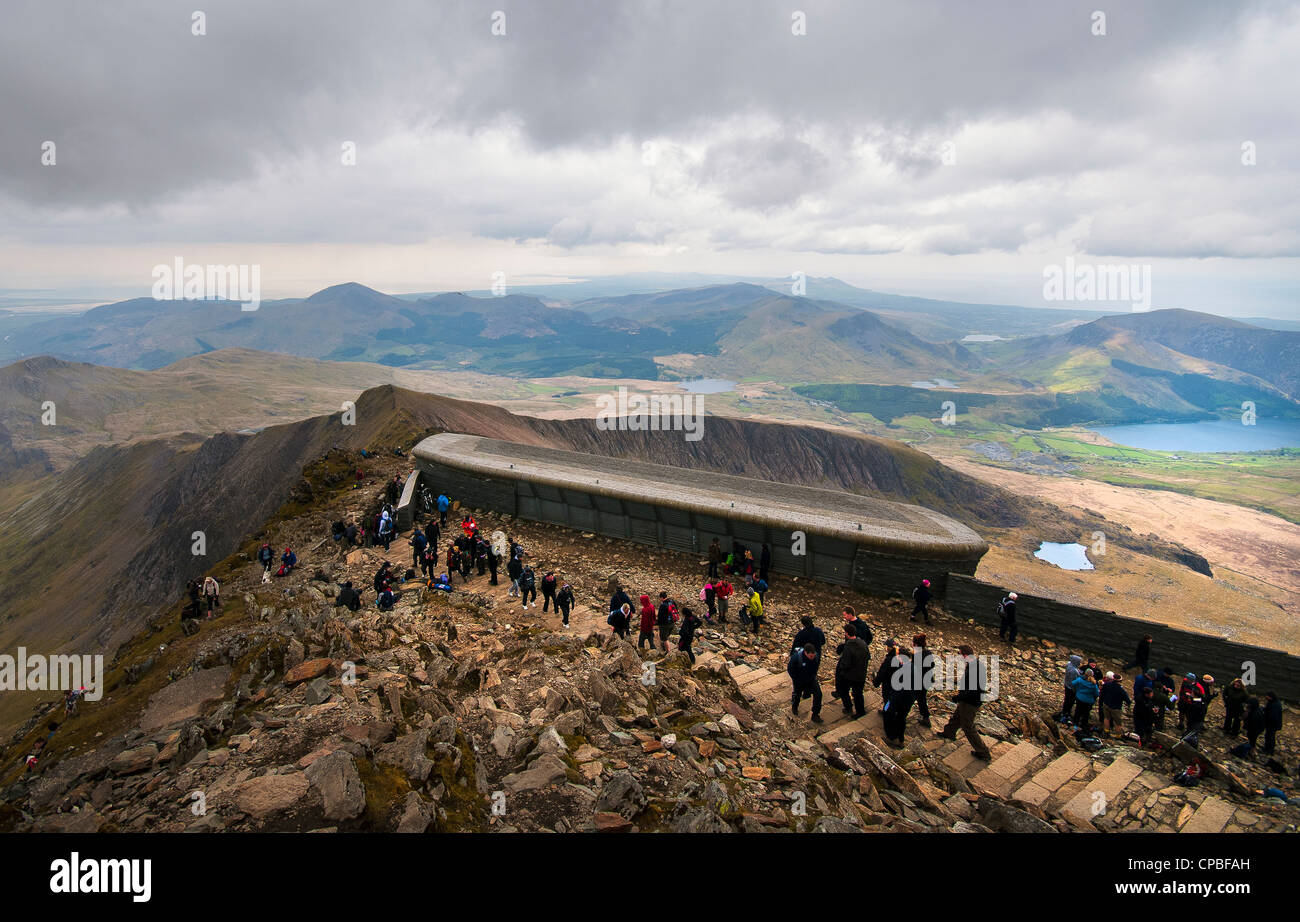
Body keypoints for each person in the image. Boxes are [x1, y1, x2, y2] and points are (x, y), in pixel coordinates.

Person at [939, 644, 992, 760]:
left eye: (959, 654)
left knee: (968, 726)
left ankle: (983, 752)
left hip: (970, 701)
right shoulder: (975, 664)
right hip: (968, 699)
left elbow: (972, 690)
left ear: (964, 655)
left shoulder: (974, 668)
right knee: (957, 717)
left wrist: (958, 697)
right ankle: (949, 732)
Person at [881, 645, 915, 747]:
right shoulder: (914, 666)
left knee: (886, 713)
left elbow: (897, 690)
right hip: (909, 699)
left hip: (897, 699)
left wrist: (889, 704)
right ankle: (901, 739)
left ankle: (891, 738)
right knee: (901, 718)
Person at [834, 624, 869, 719]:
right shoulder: (863, 643)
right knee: (858, 694)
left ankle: (848, 707)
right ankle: (860, 711)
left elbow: (845, 664)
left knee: (843, 691)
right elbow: (868, 657)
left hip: (849, 676)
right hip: (861, 674)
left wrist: (841, 672)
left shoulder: (848, 647)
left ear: (847, 634)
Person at [787, 644, 823, 723]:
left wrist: (813, 676)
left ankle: (815, 714)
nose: (812, 658)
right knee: (797, 694)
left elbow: (816, 667)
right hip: (799, 680)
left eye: (813, 656)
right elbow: (790, 669)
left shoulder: (816, 657)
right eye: (810, 656)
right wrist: (796, 679)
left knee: (818, 694)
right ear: (805, 653)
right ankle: (795, 706)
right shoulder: (797, 657)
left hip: (811, 679)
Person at [911, 633, 935, 728]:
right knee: (921, 698)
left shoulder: (917, 655)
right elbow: (932, 665)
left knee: (916, 697)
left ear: (915, 644)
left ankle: (926, 717)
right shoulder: (927, 652)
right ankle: (925, 717)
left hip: (919, 682)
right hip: (927, 681)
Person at [1099, 672, 1131, 737]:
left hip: (1106, 704)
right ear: (1120, 681)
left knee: (1106, 718)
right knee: (1118, 723)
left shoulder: (1107, 684)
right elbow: (1128, 700)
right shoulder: (1121, 690)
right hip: (1116, 708)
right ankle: (1118, 736)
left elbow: (1102, 693)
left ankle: (1106, 731)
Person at [1070, 668, 1100, 732]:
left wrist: (1076, 690)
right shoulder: (1094, 684)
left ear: (1085, 673)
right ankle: (1083, 725)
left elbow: (1072, 683)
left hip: (1079, 698)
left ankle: (1075, 723)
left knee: (1078, 711)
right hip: (1089, 701)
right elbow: (1097, 693)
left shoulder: (1080, 680)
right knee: (1086, 713)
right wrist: (1093, 698)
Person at [1058, 654, 1082, 722]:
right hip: (1071, 688)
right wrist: (1075, 690)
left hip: (1066, 684)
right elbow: (1074, 682)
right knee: (1070, 701)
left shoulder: (1069, 664)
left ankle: (1065, 711)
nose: (1080, 663)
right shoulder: (1073, 671)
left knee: (1067, 700)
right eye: (1079, 662)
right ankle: (1066, 712)